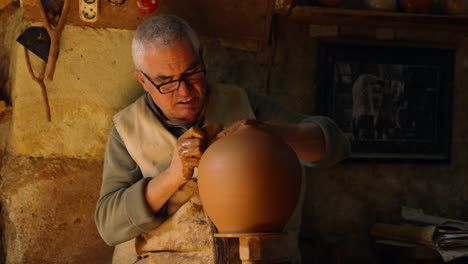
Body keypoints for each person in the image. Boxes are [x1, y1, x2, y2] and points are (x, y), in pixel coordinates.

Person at [95, 15, 350, 264]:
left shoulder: (244, 105)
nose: (184, 92)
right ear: (143, 80)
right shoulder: (128, 129)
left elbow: (336, 146)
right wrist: (172, 176)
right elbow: (109, 226)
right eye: (167, 83)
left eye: (192, 73)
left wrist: (273, 134)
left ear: (202, 56)